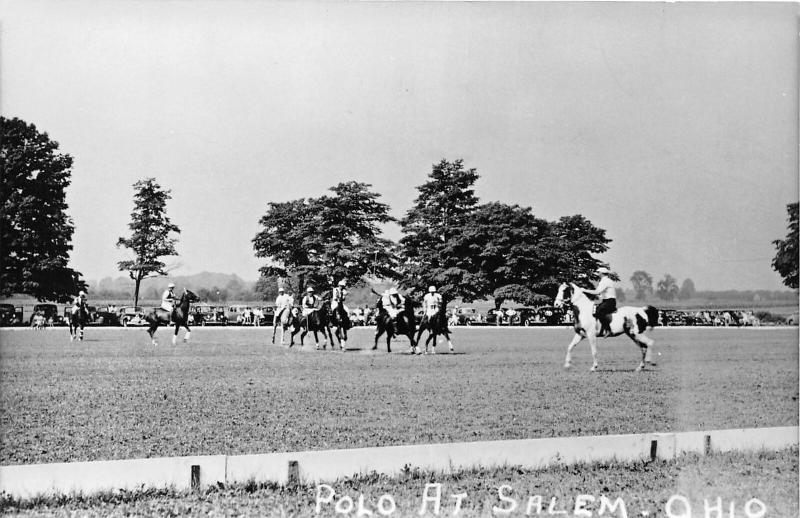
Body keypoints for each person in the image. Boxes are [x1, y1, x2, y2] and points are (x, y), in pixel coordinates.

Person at [583, 266, 617, 336]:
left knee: (599, 312)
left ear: (602, 273)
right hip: (607, 301)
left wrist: (584, 290)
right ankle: (601, 331)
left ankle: (608, 330)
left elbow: (597, 292)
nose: (597, 273)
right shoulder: (606, 280)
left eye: (598, 272)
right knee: (596, 312)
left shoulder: (605, 281)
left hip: (609, 301)